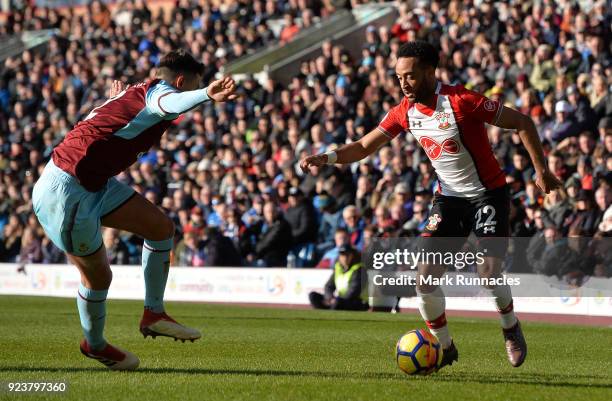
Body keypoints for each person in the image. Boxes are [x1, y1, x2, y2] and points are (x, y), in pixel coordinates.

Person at [300, 41, 561, 370]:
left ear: (428, 72)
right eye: (398, 78)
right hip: (449, 199)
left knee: (488, 270)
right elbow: (365, 146)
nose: (403, 84)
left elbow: (523, 121)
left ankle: (510, 327)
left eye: (409, 76)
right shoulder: (404, 112)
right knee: (424, 277)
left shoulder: (462, 100)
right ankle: (446, 347)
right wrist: (327, 157)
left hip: (487, 194)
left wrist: (541, 170)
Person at [31, 50, 237, 370]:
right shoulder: (159, 94)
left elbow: (119, 115)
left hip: (92, 182)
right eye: (192, 84)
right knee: (98, 277)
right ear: (180, 81)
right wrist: (206, 94)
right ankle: (95, 344)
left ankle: (154, 313)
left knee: (160, 228)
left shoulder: (134, 92)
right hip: (66, 191)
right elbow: (167, 103)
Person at [308, 245, 369, 311]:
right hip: (340, 300)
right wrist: (330, 298)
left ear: (352, 256)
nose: (344, 258)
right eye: (342, 255)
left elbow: (353, 292)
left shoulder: (359, 269)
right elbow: (329, 286)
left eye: (347, 255)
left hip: (357, 302)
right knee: (313, 296)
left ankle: (330, 311)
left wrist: (336, 300)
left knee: (337, 302)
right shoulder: (338, 268)